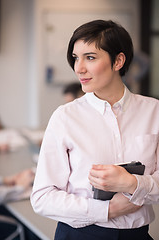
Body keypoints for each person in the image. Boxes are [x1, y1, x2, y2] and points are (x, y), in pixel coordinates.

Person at [31, 20, 159, 240]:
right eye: (75, 58)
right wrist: (107, 211)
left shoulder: (154, 111)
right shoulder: (65, 117)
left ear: (118, 61)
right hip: (79, 234)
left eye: (90, 57)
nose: (79, 68)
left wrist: (132, 184)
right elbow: (42, 197)